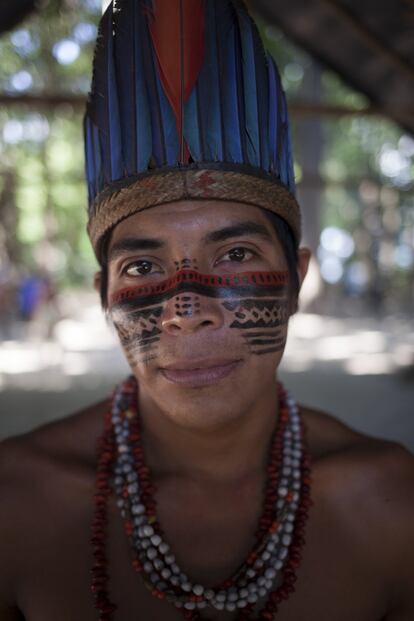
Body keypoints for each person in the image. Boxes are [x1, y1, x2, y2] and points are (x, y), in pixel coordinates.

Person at [1, 1, 413, 620]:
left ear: (297, 282)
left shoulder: (390, 502)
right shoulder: (17, 502)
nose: (186, 310)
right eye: (142, 267)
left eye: (237, 253)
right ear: (102, 297)